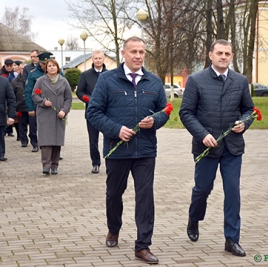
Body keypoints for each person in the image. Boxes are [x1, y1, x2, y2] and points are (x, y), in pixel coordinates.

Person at [87, 36, 169, 264]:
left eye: (142, 52)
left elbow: (164, 111)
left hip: (145, 150)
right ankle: (113, 228)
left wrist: (156, 121)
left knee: (145, 197)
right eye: (133, 51)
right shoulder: (107, 80)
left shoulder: (153, 82)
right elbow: (93, 112)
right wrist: (116, 130)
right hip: (117, 149)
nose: (138, 56)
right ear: (123, 54)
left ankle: (142, 246)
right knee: (114, 194)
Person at [179, 39, 255, 257]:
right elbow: (186, 113)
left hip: (232, 147)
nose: (223, 57)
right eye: (220, 53)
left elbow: (248, 109)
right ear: (210, 55)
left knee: (233, 191)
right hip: (206, 148)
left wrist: (244, 123)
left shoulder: (240, 81)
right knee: (202, 189)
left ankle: (232, 239)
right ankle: (194, 218)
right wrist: (203, 135)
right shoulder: (196, 80)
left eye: (227, 54)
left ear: (231, 57)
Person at [31, 59, 72, 175]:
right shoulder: (40, 81)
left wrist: (64, 111)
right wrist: (43, 102)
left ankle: (54, 165)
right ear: (46, 68)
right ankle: (46, 165)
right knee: (46, 141)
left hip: (59, 115)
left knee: (56, 141)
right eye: (50, 66)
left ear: (58, 67)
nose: (52, 68)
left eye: (54, 65)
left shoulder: (63, 81)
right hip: (45, 115)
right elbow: (34, 94)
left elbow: (68, 98)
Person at [76, 50, 107, 174]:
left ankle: (110, 162)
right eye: (96, 58)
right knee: (93, 140)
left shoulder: (110, 74)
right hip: (92, 113)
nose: (98, 60)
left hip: (107, 113)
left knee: (109, 138)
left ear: (103, 59)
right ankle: (95, 163)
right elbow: (79, 92)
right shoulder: (85, 75)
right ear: (92, 60)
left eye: (100, 58)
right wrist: (89, 99)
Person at [25, 51, 53, 153]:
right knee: (34, 127)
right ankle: (35, 144)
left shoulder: (57, 72)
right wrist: (30, 108)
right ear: (39, 63)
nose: (45, 66)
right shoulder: (33, 74)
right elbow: (28, 91)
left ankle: (52, 148)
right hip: (36, 105)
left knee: (51, 128)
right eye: (43, 64)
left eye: (47, 64)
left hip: (52, 107)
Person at [12, 63, 38, 149]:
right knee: (22, 125)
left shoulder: (32, 79)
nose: (23, 70)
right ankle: (23, 140)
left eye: (24, 69)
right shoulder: (15, 81)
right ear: (19, 70)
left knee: (33, 125)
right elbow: (12, 95)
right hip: (21, 106)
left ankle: (34, 141)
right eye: (21, 69)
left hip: (31, 106)